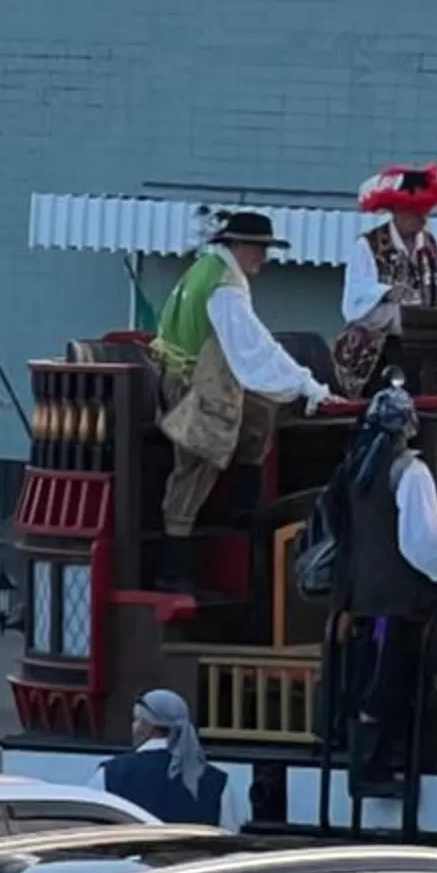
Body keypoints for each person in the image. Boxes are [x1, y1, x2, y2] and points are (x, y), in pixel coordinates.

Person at [153, 210, 329, 590]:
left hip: (183, 377)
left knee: (260, 409)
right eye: (259, 248)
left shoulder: (204, 269)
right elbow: (253, 346)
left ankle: (244, 509)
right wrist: (306, 384)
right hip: (194, 388)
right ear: (237, 245)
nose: (263, 258)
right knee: (197, 466)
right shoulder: (225, 288)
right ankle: (174, 567)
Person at [324, 386, 437, 794]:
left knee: (372, 679)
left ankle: (368, 763)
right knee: (395, 682)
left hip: (362, 594)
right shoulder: (409, 471)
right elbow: (422, 542)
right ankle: (377, 768)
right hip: (403, 597)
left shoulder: (353, 469)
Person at [335, 164, 437, 400]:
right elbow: (353, 304)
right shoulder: (368, 245)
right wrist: (386, 293)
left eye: (425, 211)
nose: (423, 218)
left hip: (423, 350)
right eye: (415, 210)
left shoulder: (433, 246)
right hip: (379, 353)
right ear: (397, 209)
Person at [100, 689, 227, 826]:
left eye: (136, 720)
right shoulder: (219, 782)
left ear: (147, 727)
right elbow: (230, 835)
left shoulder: (109, 774)